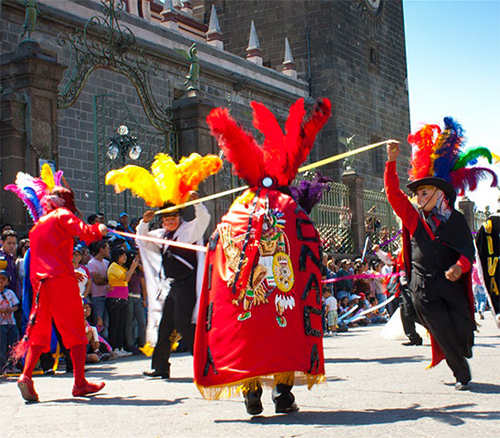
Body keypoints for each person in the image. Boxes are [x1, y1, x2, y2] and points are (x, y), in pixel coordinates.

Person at [194, 97, 330, 415]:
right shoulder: (290, 208)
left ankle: (251, 390)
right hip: (283, 292)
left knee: (248, 332)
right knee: (286, 330)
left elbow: (217, 247)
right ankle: (283, 394)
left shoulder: (237, 209)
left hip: (247, 293)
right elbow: (312, 249)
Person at [383, 118, 493, 390]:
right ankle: (461, 372)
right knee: (442, 330)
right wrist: (391, 162)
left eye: (423, 193)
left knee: (463, 329)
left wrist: (460, 266)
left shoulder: (455, 220)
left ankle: (461, 350)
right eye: (418, 194)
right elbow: (394, 196)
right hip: (424, 288)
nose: (418, 198)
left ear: (439, 193)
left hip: (452, 286)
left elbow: (467, 250)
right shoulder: (413, 217)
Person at [6, 165, 107, 401]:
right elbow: (86, 233)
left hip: (41, 285)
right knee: (76, 332)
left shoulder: (37, 227)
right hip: (61, 281)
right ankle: (80, 383)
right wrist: (99, 229)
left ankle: (26, 376)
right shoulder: (62, 215)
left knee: (38, 334)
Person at [138, 192, 210, 378]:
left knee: (184, 323)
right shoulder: (162, 235)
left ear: (179, 217)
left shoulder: (188, 231)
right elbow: (143, 241)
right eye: (167, 219)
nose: (170, 222)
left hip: (188, 284)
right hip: (172, 286)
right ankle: (160, 366)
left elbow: (203, 219)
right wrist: (144, 223)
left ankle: (205, 362)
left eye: (173, 218)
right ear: (162, 221)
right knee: (166, 325)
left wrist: (197, 203)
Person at [106, 248, 139, 357]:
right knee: (115, 324)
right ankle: (114, 348)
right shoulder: (114, 267)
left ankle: (120, 347)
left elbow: (127, 278)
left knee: (121, 324)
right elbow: (125, 277)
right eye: (121, 256)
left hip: (122, 299)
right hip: (115, 299)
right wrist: (133, 267)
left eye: (124, 255)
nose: (124, 258)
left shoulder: (120, 267)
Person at [87, 241, 111, 339]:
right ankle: (98, 344)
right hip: (97, 296)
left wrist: (104, 278)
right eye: (107, 248)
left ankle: (106, 346)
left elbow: (108, 279)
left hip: (107, 295)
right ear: (101, 249)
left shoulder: (106, 262)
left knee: (106, 322)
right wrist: (107, 279)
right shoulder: (92, 263)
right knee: (99, 321)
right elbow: (97, 280)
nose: (108, 250)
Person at [124, 251, 147, 353]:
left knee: (142, 322)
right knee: (130, 322)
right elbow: (125, 279)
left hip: (138, 297)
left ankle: (143, 343)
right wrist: (132, 267)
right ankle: (131, 345)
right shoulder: (125, 269)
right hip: (128, 297)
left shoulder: (139, 271)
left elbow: (143, 286)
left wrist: (144, 299)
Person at [0, 270, 20, 373]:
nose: (0, 281)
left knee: (13, 345)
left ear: (7, 282)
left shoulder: (10, 293)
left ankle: (13, 366)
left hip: (11, 323)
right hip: (1, 324)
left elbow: (16, 305)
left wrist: (11, 309)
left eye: (3, 279)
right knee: (2, 346)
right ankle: (3, 367)